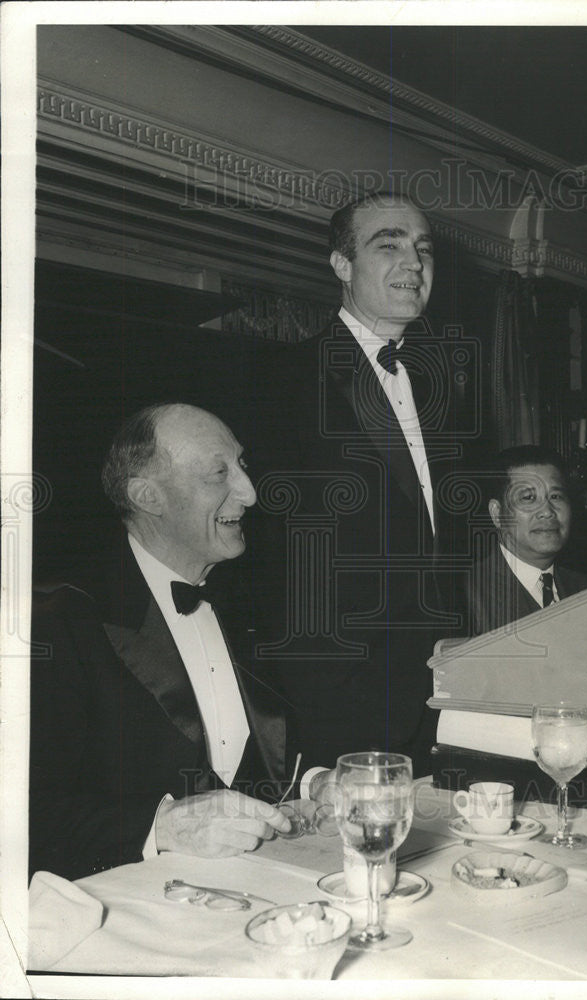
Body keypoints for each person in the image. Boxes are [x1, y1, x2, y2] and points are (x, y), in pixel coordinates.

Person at [29, 403, 294, 881]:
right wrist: (161, 828)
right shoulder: (58, 623)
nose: (250, 493)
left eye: (242, 465)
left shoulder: (251, 596)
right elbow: (26, 812)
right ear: (149, 496)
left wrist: (320, 782)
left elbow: (272, 749)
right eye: (219, 473)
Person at [263, 191, 471, 774]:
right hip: (336, 692)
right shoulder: (284, 379)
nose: (414, 263)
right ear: (341, 265)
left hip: (437, 683)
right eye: (390, 245)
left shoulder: (441, 389)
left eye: (423, 250)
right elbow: (264, 549)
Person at [469, 445, 587, 635]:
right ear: (497, 514)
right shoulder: (465, 593)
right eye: (528, 498)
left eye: (556, 496)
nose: (547, 511)